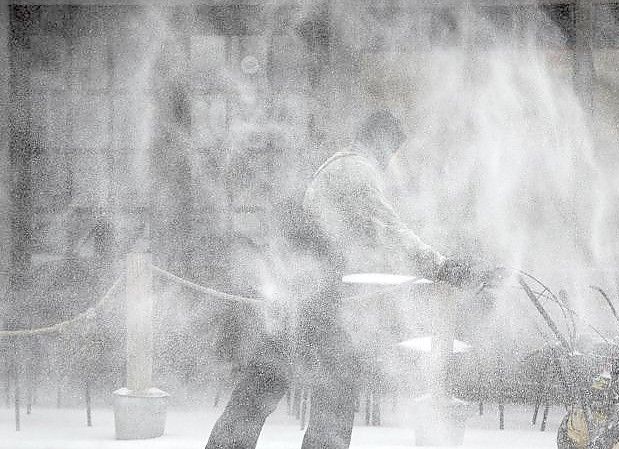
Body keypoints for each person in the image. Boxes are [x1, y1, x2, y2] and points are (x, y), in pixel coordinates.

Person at [205, 110, 499, 449]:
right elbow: (389, 231)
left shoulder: (339, 165)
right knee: (334, 386)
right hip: (312, 291)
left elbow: (365, 234)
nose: (391, 159)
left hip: (298, 288)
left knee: (268, 381)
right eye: (391, 149)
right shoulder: (356, 171)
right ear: (380, 140)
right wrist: (442, 267)